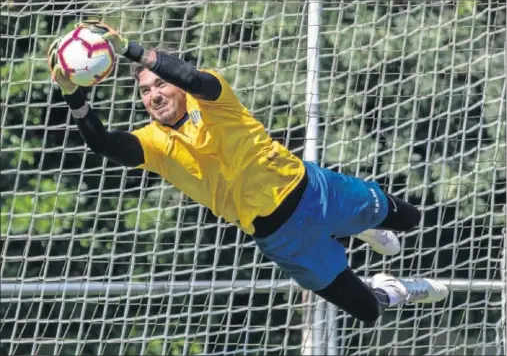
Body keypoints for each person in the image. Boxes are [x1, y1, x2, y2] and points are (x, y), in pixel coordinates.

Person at [47, 21, 448, 323]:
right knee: (368, 312)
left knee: (408, 219)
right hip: (279, 236)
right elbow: (101, 143)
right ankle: (392, 289)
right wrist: (72, 91)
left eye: (160, 84)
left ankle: (357, 225)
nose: (154, 95)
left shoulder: (214, 97)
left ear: (177, 85)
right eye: (145, 91)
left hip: (313, 191)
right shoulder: (154, 144)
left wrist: (131, 49)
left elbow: (189, 76)